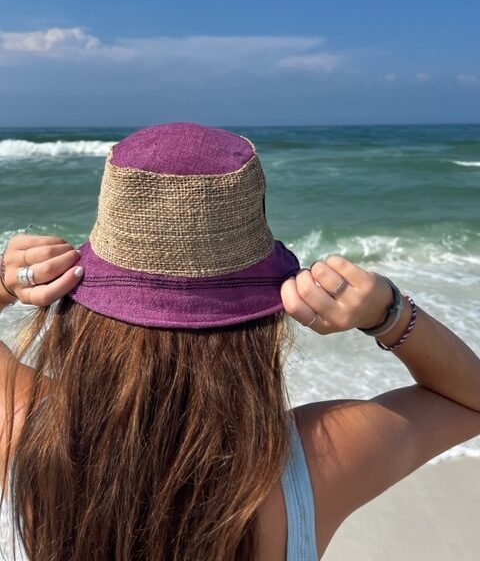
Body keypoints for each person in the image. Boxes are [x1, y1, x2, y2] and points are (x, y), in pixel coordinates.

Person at [0, 122, 478, 561]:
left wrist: (7, 283)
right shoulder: (314, 464)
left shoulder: (31, 435)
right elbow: (470, 402)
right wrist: (387, 312)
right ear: (261, 315)